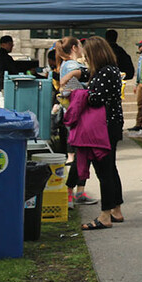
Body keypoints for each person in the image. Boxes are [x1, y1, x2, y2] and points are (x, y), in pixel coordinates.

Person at [80, 37, 127, 231]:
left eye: (87, 55)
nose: (85, 58)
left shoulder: (105, 72)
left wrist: (81, 95)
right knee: (110, 168)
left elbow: (97, 99)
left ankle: (105, 214)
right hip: (111, 124)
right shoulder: (110, 70)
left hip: (104, 126)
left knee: (104, 170)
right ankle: (116, 209)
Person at [58, 37, 96, 207]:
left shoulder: (69, 65)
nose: (82, 48)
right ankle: (71, 193)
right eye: (80, 45)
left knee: (84, 154)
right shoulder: (72, 66)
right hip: (79, 115)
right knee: (81, 154)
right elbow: (77, 91)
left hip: (78, 113)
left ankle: (79, 191)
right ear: (74, 47)